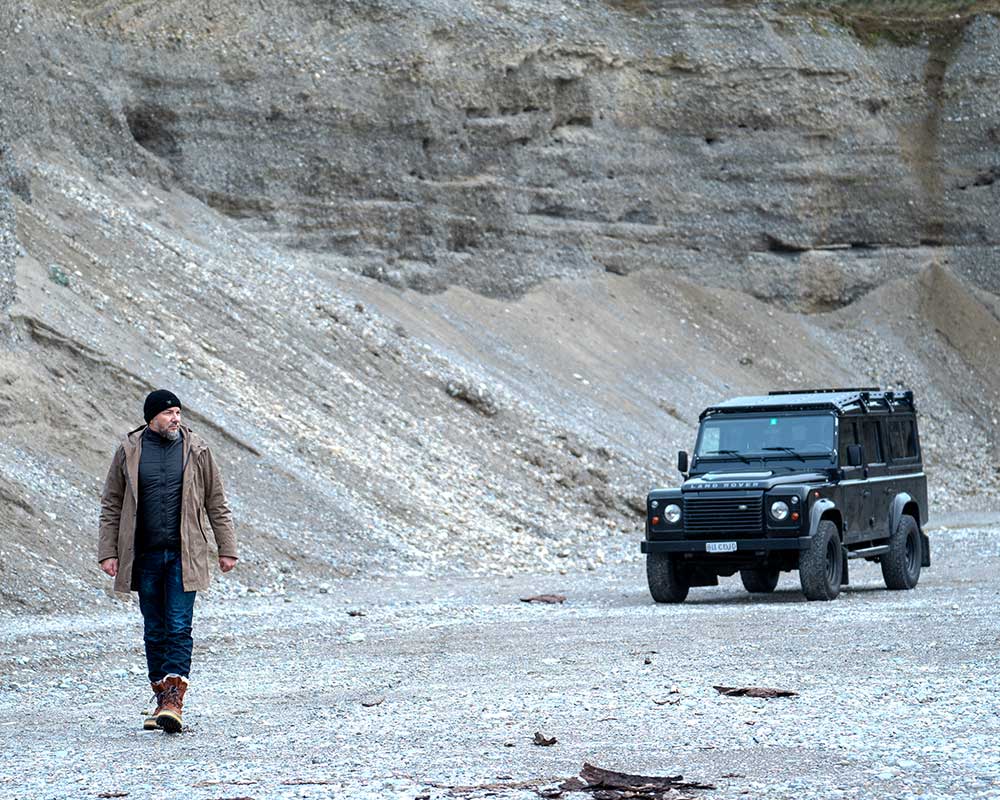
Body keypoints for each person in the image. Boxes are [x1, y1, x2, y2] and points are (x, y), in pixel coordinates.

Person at [98, 389, 237, 733]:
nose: (176, 418)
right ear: (152, 418)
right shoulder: (129, 450)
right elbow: (111, 504)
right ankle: (162, 701)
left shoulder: (197, 449)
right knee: (154, 630)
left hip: (183, 554)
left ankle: (175, 700)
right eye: (168, 413)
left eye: (178, 412)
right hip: (143, 554)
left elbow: (216, 502)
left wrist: (227, 547)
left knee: (178, 625)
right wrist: (108, 551)